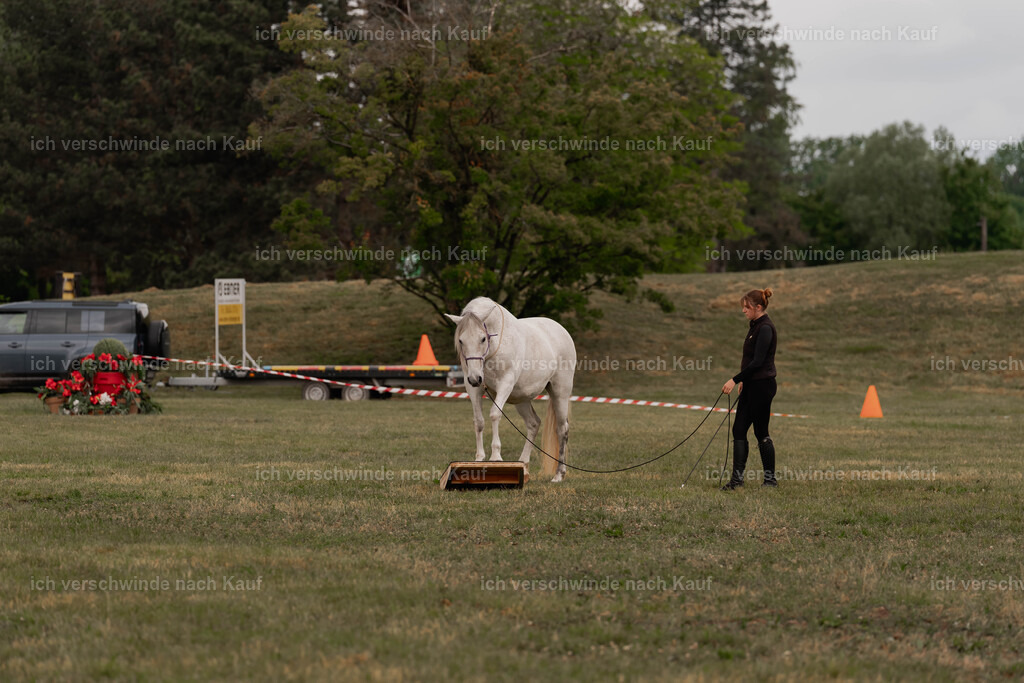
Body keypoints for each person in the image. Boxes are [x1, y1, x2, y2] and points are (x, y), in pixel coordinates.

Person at [721, 287, 778, 489]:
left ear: (758, 307)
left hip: (763, 387)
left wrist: (734, 379)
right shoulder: (754, 326)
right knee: (739, 429)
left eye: (747, 307)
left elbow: (758, 362)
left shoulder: (765, 328)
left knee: (761, 432)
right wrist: (744, 380)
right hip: (752, 384)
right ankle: (737, 481)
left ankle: (770, 480)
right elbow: (750, 362)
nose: (744, 311)